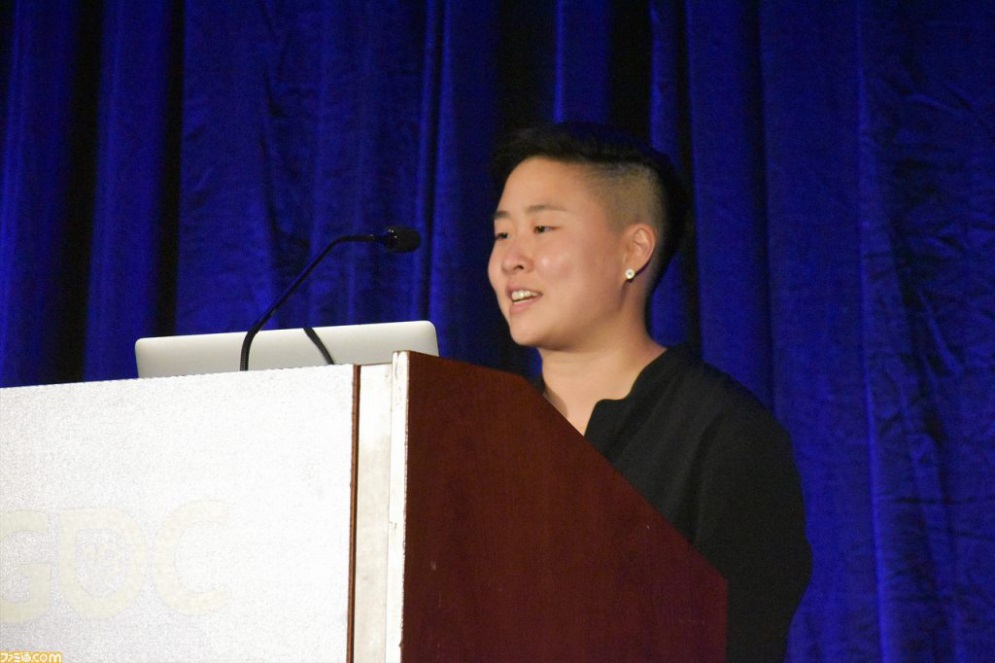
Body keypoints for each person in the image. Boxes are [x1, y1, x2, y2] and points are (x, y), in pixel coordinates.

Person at [487, 121, 811, 662]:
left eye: (542, 229)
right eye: (502, 234)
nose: (511, 259)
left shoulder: (725, 435)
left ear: (633, 250)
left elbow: (741, 638)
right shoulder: (483, 430)